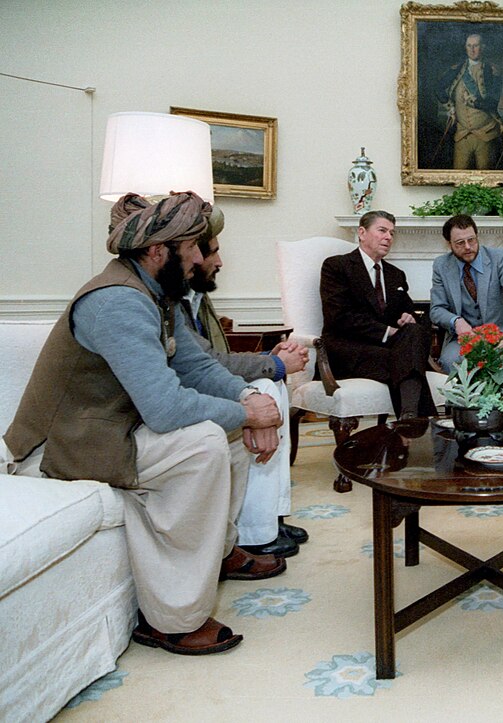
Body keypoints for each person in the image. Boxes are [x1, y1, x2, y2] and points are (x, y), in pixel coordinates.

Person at [3, 192, 286, 656]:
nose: (200, 256)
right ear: (158, 251)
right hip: (59, 448)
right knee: (204, 444)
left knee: (230, 431)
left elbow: (197, 369)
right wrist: (246, 414)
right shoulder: (116, 301)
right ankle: (172, 620)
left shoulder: (157, 295)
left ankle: (218, 549)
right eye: (193, 246)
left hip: (110, 430)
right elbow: (166, 410)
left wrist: (249, 398)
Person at [182, 207, 310, 558]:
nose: (220, 261)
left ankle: (272, 514)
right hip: (190, 396)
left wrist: (272, 357)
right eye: (213, 252)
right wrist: (273, 363)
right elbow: (206, 364)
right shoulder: (172, 302)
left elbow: (215, 357)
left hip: (206, 384)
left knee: (274, 385)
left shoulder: (196, 295)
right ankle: (254, 531)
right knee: (267, 387)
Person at [320, 210, 435, 418]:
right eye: (382, 230)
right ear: (362, 232)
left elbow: (409, 311)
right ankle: (417, 421)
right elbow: (339, 317)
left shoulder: (395, 274)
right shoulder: (337, 266)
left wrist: (407, 317)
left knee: (415, 330)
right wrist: (388, 331)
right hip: (348, 350)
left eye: (392, 233)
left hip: (386, 349)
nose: (389, 237)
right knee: (407, 358)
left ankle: (409, 418)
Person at [429, 214, 503, 373]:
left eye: (472, 240)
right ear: (449, 244)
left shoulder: (498, 258)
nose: (468, 246)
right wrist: (456, 321)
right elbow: (436, 310)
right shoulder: (441, 265)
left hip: (499, 337)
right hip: (460, 340)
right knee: (450, 362)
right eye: (460, 243)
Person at [436, 33, 503, 170]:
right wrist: (450, 108)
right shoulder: (456, 70)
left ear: (482, 47)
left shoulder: (492, 72)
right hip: (461, 135)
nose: (472, 49)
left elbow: (492, 103)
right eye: (469, 46)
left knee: (486, 178)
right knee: (458, 176)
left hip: (486, 134)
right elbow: (438, 88)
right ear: (465, 47)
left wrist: (472, 102)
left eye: (476, 46)